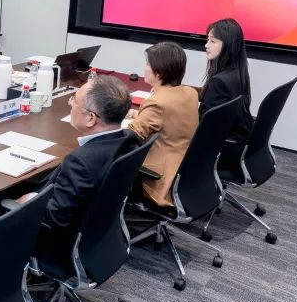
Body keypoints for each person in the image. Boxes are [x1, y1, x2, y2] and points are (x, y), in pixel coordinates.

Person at [14, 76, 137, 267]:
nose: (70, 103)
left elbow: (55, 218)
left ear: (91, 118)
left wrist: (28, 199)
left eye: (75, 100)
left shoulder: (81, 161)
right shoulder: (129, 139)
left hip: (58, 244)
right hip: (97, 235)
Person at [126, 41, 199, 207]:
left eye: (147, 64)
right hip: (186, 171)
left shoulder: (157, 103)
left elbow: (129, 136)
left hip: (158, 178)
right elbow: (172, 116)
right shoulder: (190, 93)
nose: (144, 67)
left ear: (158, 73)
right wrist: (139, 114)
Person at [201, 18, 254, 144]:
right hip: (239, 139)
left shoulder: (218, 82)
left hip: (219, 144)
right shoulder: (238, 72)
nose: (206, 45)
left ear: (228, 45)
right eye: (207, 40)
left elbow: (204, 123)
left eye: (212, 41)